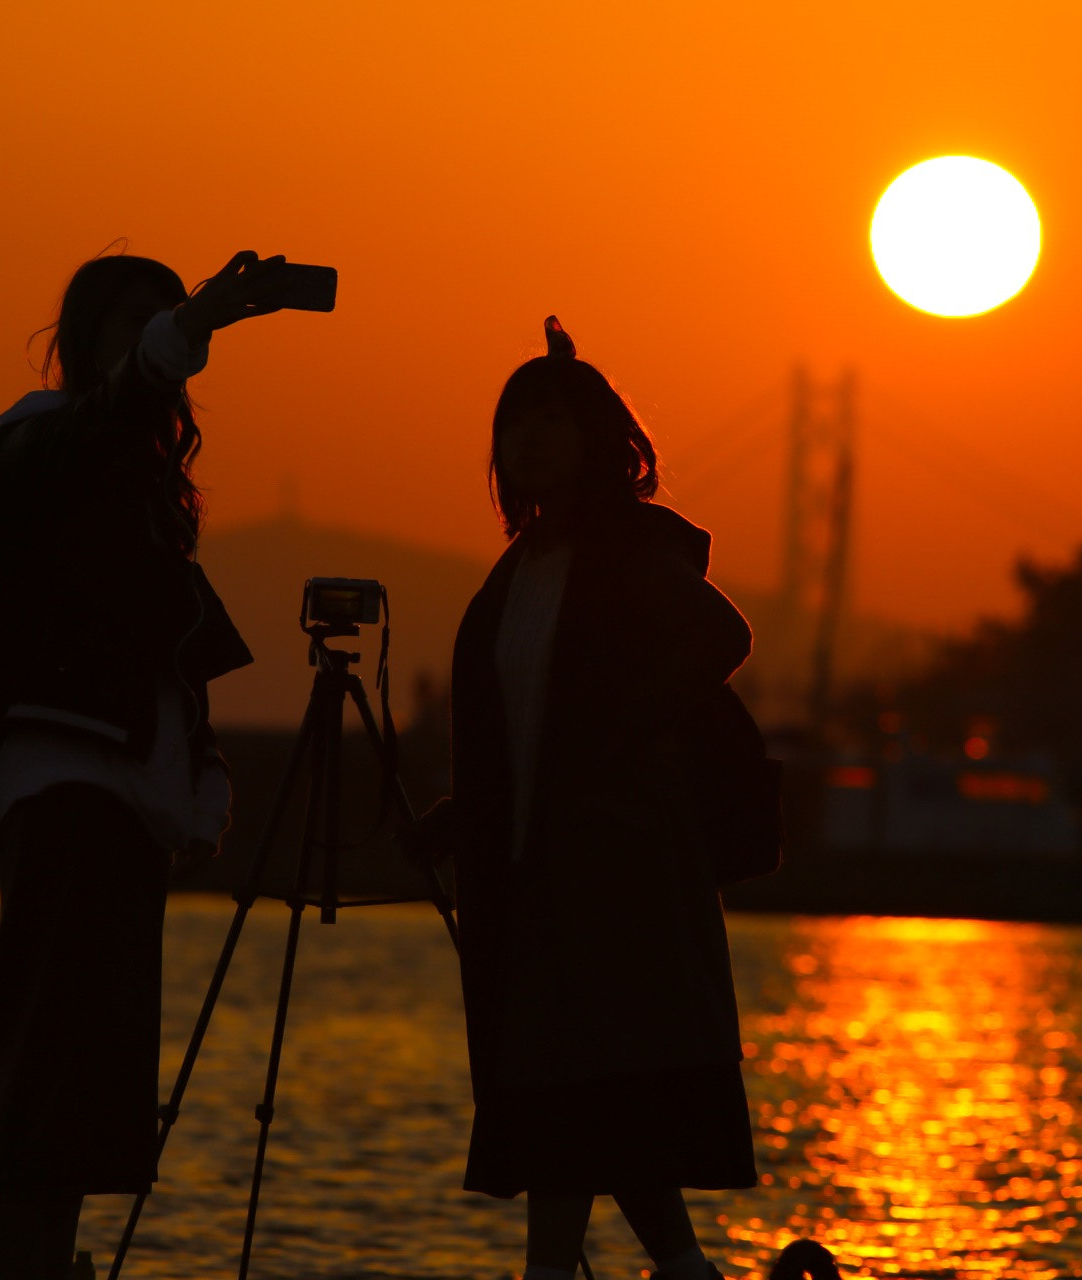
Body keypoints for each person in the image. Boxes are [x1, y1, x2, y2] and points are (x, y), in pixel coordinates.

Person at [0, 250, 291, 1279]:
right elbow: (100, 413)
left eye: (167, 320)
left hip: (119, 797)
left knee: (82, 1094)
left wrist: (196, 781)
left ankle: (37, 1269)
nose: (161, 339)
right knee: (45, 1074)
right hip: (69, 786)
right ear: (83, 338)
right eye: (134, 321)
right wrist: (190, 325)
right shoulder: (41, 441)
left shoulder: (141, 481)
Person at [418, 316, 758, 1280]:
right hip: (531, 884)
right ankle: (682, 1270)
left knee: (574, 1101)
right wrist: (462, 814)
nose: (528, 440)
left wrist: (628, 734)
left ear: (600, 441)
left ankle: (554, 1273)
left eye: (552, 421)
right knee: (597, 1106)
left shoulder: (630, 551)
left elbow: (719, 637)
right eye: (514, 423)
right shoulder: (516, 574)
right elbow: (522, 730)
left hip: (616, 882)